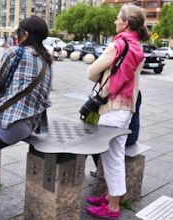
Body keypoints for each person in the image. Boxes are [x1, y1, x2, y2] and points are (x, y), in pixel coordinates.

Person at [0, 16, 53, 197]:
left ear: (25, 34)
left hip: (9, 125)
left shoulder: (16, 52)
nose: (17, 36)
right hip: (29, 127)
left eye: (18, 33)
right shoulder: (47, 62)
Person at [85, 5, 150, 219]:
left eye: (117, 18)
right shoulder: (137, 46)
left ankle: (112, 207)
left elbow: (91, 72)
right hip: (126, 108)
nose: (115, 21)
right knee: (115, 155)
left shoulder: (119, 44)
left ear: (126, 23)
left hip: (112, 107)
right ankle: (111, 198)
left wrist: (104, 72)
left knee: (112, 158)